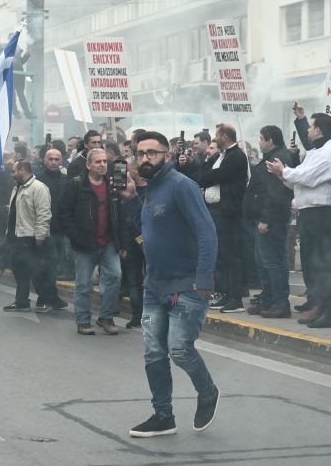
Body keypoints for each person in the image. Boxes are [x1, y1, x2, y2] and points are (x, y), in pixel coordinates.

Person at [125, 131, 219, 438]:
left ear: (167, 155)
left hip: (187, 285)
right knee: (153, 353)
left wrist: (205, 276)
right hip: (154, 286)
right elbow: (145, 229)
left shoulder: (182, 186)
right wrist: (130, 200)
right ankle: (163, 416)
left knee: (179, 350)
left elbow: (206, 231)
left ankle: (207, 391)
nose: (145, 158)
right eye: (140, 153)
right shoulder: (150, 189)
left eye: (152, 153)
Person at [267, 110, 331, 328]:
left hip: (324, 213)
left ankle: (328, 312)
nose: (308, 130)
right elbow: (299, 177)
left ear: (318, 129)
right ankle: (318, 306)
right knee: (312, 264)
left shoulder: (328, 152)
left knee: (323, 264)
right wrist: (283, 174)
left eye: (310, 126)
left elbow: (306, 177)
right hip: (310, 212)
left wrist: (285, 171)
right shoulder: (316, 151)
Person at [58, 148, 124, 335]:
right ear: (88, 165)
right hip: (85, 244)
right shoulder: (76, 185)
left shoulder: (112, 186)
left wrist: (121, 242)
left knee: (115, 276)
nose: (102, 165)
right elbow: (64, 213)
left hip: (108, 243)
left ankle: (106, 317)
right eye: (98, 162)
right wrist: (75, 236)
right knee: (84, 284)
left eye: (105, 161)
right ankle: (83, 320)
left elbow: (118, 214)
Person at [196, 124, 249, 314]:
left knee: (231, 254)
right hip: (215, 211)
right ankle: (225, 293)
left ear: (225, 136)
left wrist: (209, 176)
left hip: (228, 212)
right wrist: (207, 175)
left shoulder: (236, 156)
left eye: (217, 135)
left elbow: (215, 176)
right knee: (221, 255)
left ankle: (236, 297)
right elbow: (202, 174)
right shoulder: (221, 155)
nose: (214, 138)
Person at [246, 126, 295, 317]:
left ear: (270, 140)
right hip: (263, 217)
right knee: (263, 261)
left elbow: (277, 192)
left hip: (272, 219)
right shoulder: (272, 157)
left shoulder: (278, 159)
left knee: (273, 262)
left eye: (261, 138)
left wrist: (266, 219)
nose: (259, 142)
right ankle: (268, 299)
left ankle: (280, 303)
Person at [3, 161, 53, 313]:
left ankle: (45, 300)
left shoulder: (38, 188)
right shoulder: (17, 187)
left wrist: (40, 236)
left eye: (14, 171)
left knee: (36, 270)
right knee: (19, 269)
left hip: (31, 237)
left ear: (23, 170)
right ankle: (21, 301)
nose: (12, 174)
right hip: (17, 235)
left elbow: (44, 214)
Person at [34, 149, 70, 311]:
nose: (54, 162)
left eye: (57, 159)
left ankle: (51, 296)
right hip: (44, 228)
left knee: (53, 265)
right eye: (51, 159)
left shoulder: (65, 179)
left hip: (61, 228)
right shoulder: (38, 180)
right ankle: (44, 297)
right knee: (47, 263)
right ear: (44, 160)